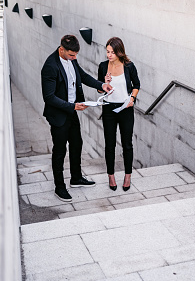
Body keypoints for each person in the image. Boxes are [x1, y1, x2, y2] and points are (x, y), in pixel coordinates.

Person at [41, 35, 112, 202]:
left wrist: (101, 85)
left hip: (72, 111)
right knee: (59, 151)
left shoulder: (72, 60)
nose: (74, 58)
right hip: (59, 114)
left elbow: (83, 76)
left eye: (76, 55)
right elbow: (49, 97)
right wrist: (72, 106)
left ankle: (76, 178)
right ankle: (59, 187)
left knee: (76, 144)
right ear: (61, 50)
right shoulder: (50, 66)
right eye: (71, 55)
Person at [98, 37, 140, 191]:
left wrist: (132, 99)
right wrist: (105, 84)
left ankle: (128, 176)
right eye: (108, 52)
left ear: (119, 52)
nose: (109, 55)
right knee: (109, 144)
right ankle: (111, 176)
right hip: (109, 109)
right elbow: (99, 89)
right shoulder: (103, 66)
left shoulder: (129, 66)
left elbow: (137, 84)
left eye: (112, 52)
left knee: (127, 144)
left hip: (125, 108)